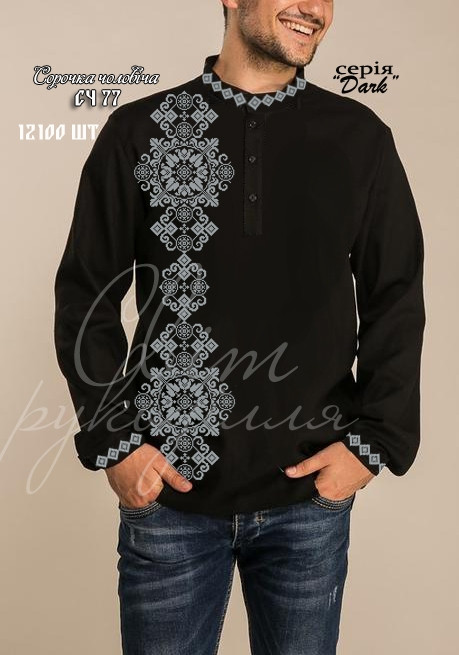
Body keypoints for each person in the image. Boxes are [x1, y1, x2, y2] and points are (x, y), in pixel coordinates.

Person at [53, 1, 426, 653]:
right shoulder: (140, 129)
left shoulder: (358, 136)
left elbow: (395, 295)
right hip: (169, 494)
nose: (315, 8)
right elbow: (87, 293)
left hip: (307, 497)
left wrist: (373, 444)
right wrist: (116, 443)